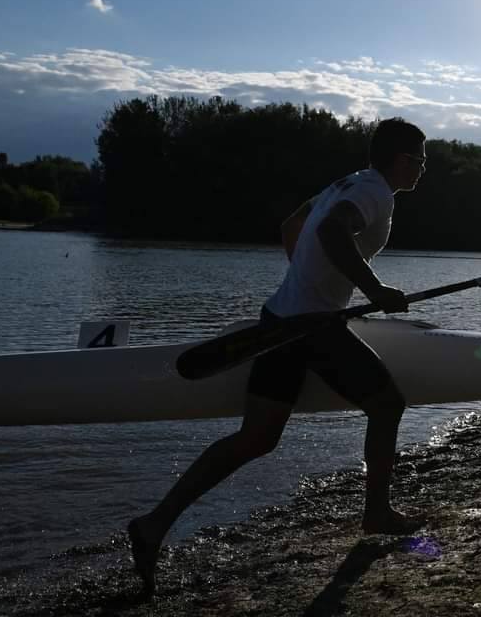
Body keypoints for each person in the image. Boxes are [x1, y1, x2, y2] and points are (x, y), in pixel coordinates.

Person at [127, 117, 429, 594]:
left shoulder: (345, 182)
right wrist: (375, 289)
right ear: (400, 159)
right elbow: (331, 232)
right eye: (420, 159)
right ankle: (377, 513)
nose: (423, 169)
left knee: (257, 437)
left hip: (278, 320)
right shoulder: (376, 194)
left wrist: (305, 279)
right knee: (388, 404)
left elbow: (293, 224)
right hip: (311, 327)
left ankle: (154, 523)